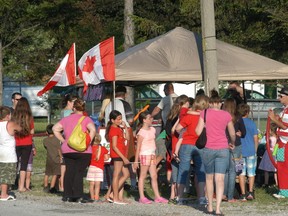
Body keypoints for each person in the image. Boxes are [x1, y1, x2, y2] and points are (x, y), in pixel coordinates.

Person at [195, 89, 236, 215]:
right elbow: (232, 133)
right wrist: (232, 143)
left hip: (208, 148)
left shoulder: (204, 113)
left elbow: (197, 131)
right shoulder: (226, 115)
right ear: (220, 103)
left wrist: (207, 126)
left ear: (210, 103)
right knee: (220, 179)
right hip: (223, 148)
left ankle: (210, 207)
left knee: (209, 178)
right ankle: (218, 209)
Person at [53, 98, 96, 203]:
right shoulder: (86, 119)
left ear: (74, 107)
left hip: (68, 149)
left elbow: (55, 129)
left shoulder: (66, 119)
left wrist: (63, 140)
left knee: (69, 171)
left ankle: (67, 195)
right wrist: (88, 142)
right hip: (83, 150)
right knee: (79, 172)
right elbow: (93, 130)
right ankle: (78, 195)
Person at [175, 94, 209, 205]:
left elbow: (177, 128)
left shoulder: (188, 116)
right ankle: (201, 197)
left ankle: (179, 197)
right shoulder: (205, 116)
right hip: (200, 145)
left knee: (183, 170)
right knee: (200, 171)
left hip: (186, 144)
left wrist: (185, 132)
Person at [104, 86, 137, 191]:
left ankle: (110, 187)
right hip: (122, 133)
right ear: (125, 94)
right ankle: (132, 183)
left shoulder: (108, 104)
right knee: (128, 160)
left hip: (109, 132)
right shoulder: (125, 104)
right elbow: (130, 120)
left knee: (114, 167)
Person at [133, 111, 168, 204]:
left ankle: (157, 196)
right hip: (144, 154)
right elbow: (138, 147)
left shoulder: (152, 129)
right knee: (143, 175)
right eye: (149, 118)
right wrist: (136, 161)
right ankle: (142, 197)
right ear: (144, 120)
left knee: (154, 175)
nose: (151, 119)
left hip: (152, 154)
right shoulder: (141, 132)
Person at [222, 98, 246, 202]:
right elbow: (244, 132)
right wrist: (240, 133)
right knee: (236, 171)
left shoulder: (221, 117)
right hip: (237, 145)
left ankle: (223, 194)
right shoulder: (238, 117)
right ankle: (231, 196)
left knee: (226, 171)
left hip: (224, 144)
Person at [105, 110, 130, 205]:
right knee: (116, 175)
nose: (120, 120)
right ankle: (114, 197)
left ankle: (112, 195)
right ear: (112, 120)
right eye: (118, 119)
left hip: (121, 154)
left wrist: (125, 128)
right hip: (118, 155)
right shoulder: (114, 130)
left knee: (125, 174)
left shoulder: (119, 128)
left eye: (121, 118)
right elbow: (114, 146)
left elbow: (127, 138)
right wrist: (123, 158)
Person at [268, 87, 288, 198]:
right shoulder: (284, 109)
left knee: (284, 167)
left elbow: (285, 126)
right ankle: (283, 190)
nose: (279, 98)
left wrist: (273, 119)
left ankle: (285, 192)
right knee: (281, 166)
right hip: (282, 142)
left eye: (281, 96)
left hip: (286, 143)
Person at [13, 97, 34, 192]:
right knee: (24, 165)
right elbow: (32, 131)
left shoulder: (14, 116)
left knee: (14, 164)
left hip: (16, 142)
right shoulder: (29, 116)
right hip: (27, 142)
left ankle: (10, 185)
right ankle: (21, 187)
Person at [0, 106, 21, 201]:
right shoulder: (10, 124)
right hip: (8, 153)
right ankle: (4, 194)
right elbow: (20, 129)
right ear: (8, 116)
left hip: (1, 150)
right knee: (7, 174)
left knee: (1, 173)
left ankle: (3, 192)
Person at [238, 103, 258, 201]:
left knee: (241, 173)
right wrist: (255, 150)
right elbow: (256, 138)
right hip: (251, 151)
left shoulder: (237, 123)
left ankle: (243, 194)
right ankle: (250, 192)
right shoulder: (252, 123)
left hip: (239, 152)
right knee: (251, 173)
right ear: (247, 112)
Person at [59, 94, 78, 192]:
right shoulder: (69, 113)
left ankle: (62, 184)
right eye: (74, 102)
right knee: (69, 164)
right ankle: (66, 185)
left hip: (63, 138)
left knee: (64, 164)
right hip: (69, 139)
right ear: (69, 102)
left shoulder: (63, 112)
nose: (75, 105)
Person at [86, 134, 109, 202]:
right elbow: (107, 158)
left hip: (91, 167)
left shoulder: (90, 148)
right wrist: (101, 159)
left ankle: (92, 197)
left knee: (91, 183)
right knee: (97, 184)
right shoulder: (103, 148)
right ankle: (96, 197)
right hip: (99, 168)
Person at [43, 124, 61, 194]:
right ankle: (52, 187)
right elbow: (59, 149)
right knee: (55, 174)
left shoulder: (45, 140)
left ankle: (45, 186)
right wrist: (61, 157)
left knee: (47, 173)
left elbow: (46, 147)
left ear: (46, 132)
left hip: (49, 159)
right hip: (56, 159)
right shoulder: (57, 140)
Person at [258, 123, 278, 188]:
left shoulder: (270, 138)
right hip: (275, 154)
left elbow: (266, 146)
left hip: (269, 154)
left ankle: (266, 183)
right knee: (275, 170)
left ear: (271, 130)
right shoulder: (277, 138)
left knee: (266, 170)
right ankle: (277, 182)